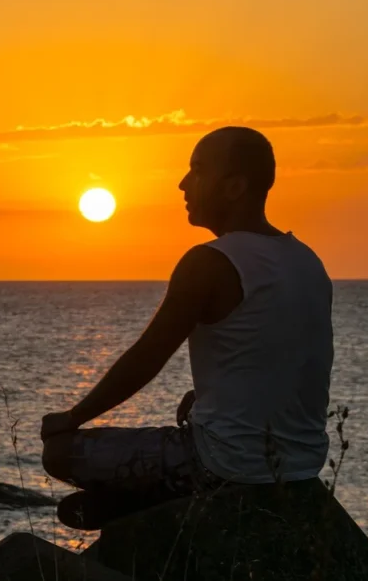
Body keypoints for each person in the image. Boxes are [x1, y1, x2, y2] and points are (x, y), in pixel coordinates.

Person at [40, 126, 335, 505]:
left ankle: (142, 511)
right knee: (83, 506)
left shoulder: (210, 261)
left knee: (60, 453)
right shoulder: (307, 261)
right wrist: (207, 397)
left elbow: (149, 355)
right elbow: (285, 358)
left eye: (197, 170)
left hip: (223, 463)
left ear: (234, 187)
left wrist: (72, 417)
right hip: (301, 464)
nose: (182, 184)